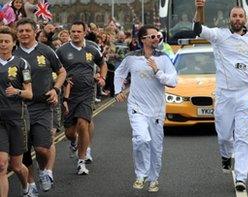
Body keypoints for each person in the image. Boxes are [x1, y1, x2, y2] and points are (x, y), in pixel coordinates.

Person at [194, 0, 248, 192]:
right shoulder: (219, 35)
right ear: (229, 18)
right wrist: (199, 10)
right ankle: (226, 155)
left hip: (244, 94)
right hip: (225, 94)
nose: (237, 18)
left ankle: (241, 177)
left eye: (240, 16)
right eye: (234, 16)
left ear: (245, 18)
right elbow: (197, 29)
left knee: (243, 138)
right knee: (225, 136)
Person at [114, 26, 177, 193]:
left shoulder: (163, 58)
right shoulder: (131, 58)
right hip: (136, 107)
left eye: (158, 36)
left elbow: (173, 81)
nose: (157, 39)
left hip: (156, 109)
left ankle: (154, 178)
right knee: (141, 139)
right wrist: (117, 91)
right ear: (143, 39)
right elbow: (119, 73)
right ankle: (141, 175)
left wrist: (157, 71)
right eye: (152, 36)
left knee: (156, 146)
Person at [14, 19, 66, 193]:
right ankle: (31, 184)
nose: (24, 34)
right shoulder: (12, 53)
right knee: (26, 151)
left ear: (35, 31)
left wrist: (55, 89)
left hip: (42, 106)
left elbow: (61, 71)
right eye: (20, 31)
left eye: (27, 30)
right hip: (20, 108)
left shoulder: (46, 51)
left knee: (42, 148)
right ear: (17, 32)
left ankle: (44, 170)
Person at [56, 21, 107, 175]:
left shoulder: (92, 49)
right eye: (73, 31)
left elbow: (103, 64)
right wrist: (61, 80)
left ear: (85, 33)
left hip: (87, 93)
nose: (75, 34)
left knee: (83, 123)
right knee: (70, 133)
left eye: (79, 31)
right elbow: (54, 70)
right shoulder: (61, 51)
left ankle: (81, 161)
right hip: (68, 95)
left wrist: (102, 78)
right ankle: (74, 142)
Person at [0, 27, 33, 196]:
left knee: (17, 166)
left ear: (14, 43)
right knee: (1, 165)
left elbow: (29, 93)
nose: (3, 44)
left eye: (7, 41)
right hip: (0, 122)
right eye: (0, 41)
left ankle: (26, 187)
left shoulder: (22, 64)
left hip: (17, 119)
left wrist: (17, 91)